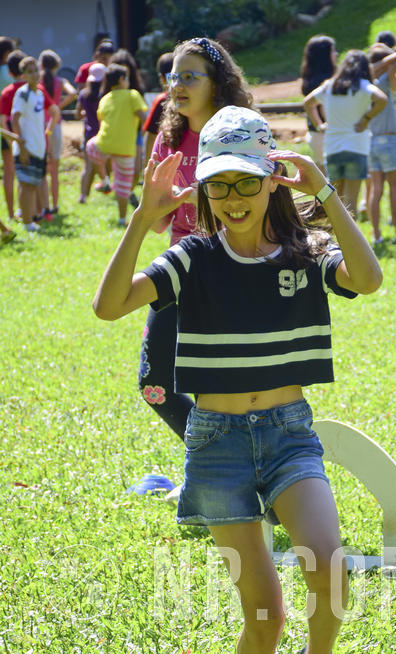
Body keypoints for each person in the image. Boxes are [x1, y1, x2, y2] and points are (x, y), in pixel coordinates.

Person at [93, 105, 382, 654]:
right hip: (218, 441)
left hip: (286, 433)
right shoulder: (191, 258)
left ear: (272, 182)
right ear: (204, 190)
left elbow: (367, 279)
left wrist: (329, 196)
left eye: (246, 183)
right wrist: (142, 217)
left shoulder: (305, 255)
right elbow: (110, 306)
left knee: (330, 565)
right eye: (218, 185)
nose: (232, 199)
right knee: (264, 612)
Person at [139, 37, 254, 446]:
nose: (178, 86)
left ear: (217, 83)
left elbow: (260, 204)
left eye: (190, 76)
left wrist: (203, 194)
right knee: (154, 385)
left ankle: (229, 475)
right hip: (178, 267)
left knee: (215, 386)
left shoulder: (241, 132)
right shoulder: (167, 138)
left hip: (231, 269)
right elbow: (156, 223)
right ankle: (215, 458)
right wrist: (154, 201)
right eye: (174, 76)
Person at [304, 50, 387, 217]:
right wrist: (366, 118)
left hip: (333, 148)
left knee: (335, 200)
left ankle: (335, 240)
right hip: (356, 147)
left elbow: (308, 103)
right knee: (350, 201)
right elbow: (382, 99)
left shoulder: (330, 85)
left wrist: (319, 125)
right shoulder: (363, 85)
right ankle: (351, 241)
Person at [85, 62, 147, 225]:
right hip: (125, 149)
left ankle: (104, 180)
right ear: (121, 79)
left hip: (103, 145)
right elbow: (143, 118)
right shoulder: (132, 95)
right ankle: (121, 219)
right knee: (123, 186)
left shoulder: (105, 99)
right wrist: (141, 133)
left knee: (90, 148)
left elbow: (102, 120)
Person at [366, 44, 396, 245]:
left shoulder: (364, 84)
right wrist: (386, 61)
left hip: (371, 140)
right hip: (390, 140)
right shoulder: (383, 81)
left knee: (376, 190)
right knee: (395, 187)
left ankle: (377, 235)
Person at [10, 56, 59, 232]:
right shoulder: (22, 94)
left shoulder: (39, 93)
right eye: (29, 72)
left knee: (34, 183)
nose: (34, 74)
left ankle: (30, 219)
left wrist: (48, 133)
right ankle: (27, 222)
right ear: (23, 75)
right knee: (26, 184)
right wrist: (21, 146)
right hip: (26, 147)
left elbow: (54, 113)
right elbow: (14, 120)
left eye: (36, 70)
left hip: (39, 147)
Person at [38, 50, 77, 216]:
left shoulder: (38, 81)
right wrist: (57, 107)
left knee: (41, 169)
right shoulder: (60, 81)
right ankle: (54, 205)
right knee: (54, 169)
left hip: (40, 126)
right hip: (56, 126)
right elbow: (73, 93)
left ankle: (42, 206)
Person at [110, 48, 146, 206]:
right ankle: (122, 197)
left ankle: (127, 191)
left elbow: (143, 117)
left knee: (137, 172)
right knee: (121, 172)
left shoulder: (136, 90)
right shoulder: (109, 92)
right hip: (117, 135)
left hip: (135, 134)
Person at [300, 35, 337, 172]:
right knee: (329, 183)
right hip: (323, 136)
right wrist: (322, 125)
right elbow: (322, 109)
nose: (336, 54)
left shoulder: (310, 78)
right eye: (332, 51)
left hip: (316, 136)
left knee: (324, 182)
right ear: (324, 56)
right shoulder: (325, 82)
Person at [0, 47, 25, 219]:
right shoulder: (29, 89)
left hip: (9, 135)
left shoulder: (7, 91)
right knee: (24, 173)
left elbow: (2, 120)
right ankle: (28, 212)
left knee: (9, 172)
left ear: (9, 72)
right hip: (24, 136)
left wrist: (10, 140)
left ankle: (11, 214)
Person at [76, 62, 105, 202]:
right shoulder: (105, 95)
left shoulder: (83, 94)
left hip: (88, 134)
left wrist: (84, 113)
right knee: (105, 164)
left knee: (87, 167)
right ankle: (106, 185)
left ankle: (83, 196)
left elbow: (76, 114)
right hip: (103, 134)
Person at [142, 52, 174, 170]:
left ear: (161, 78)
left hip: (164, 159)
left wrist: (148, 166)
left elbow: (151, 135)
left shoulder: (161, 100)